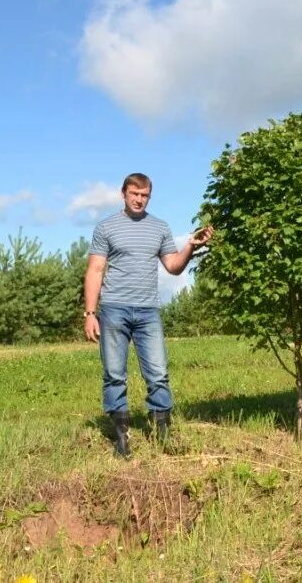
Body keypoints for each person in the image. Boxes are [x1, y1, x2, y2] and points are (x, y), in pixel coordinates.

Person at [83, 172, 213, 457]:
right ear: (124, 193)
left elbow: (173, 266)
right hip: (114, 309)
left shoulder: (160, 227)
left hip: (148, 311)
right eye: (134, 194)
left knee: (158, 373)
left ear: (149, 197)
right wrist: (90, 313)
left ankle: (163, 435)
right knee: (114, 375)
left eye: (144, 196)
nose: (139, 200)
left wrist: (191, 245)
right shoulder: (106, 227)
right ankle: (121, 438)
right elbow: (95, 270)